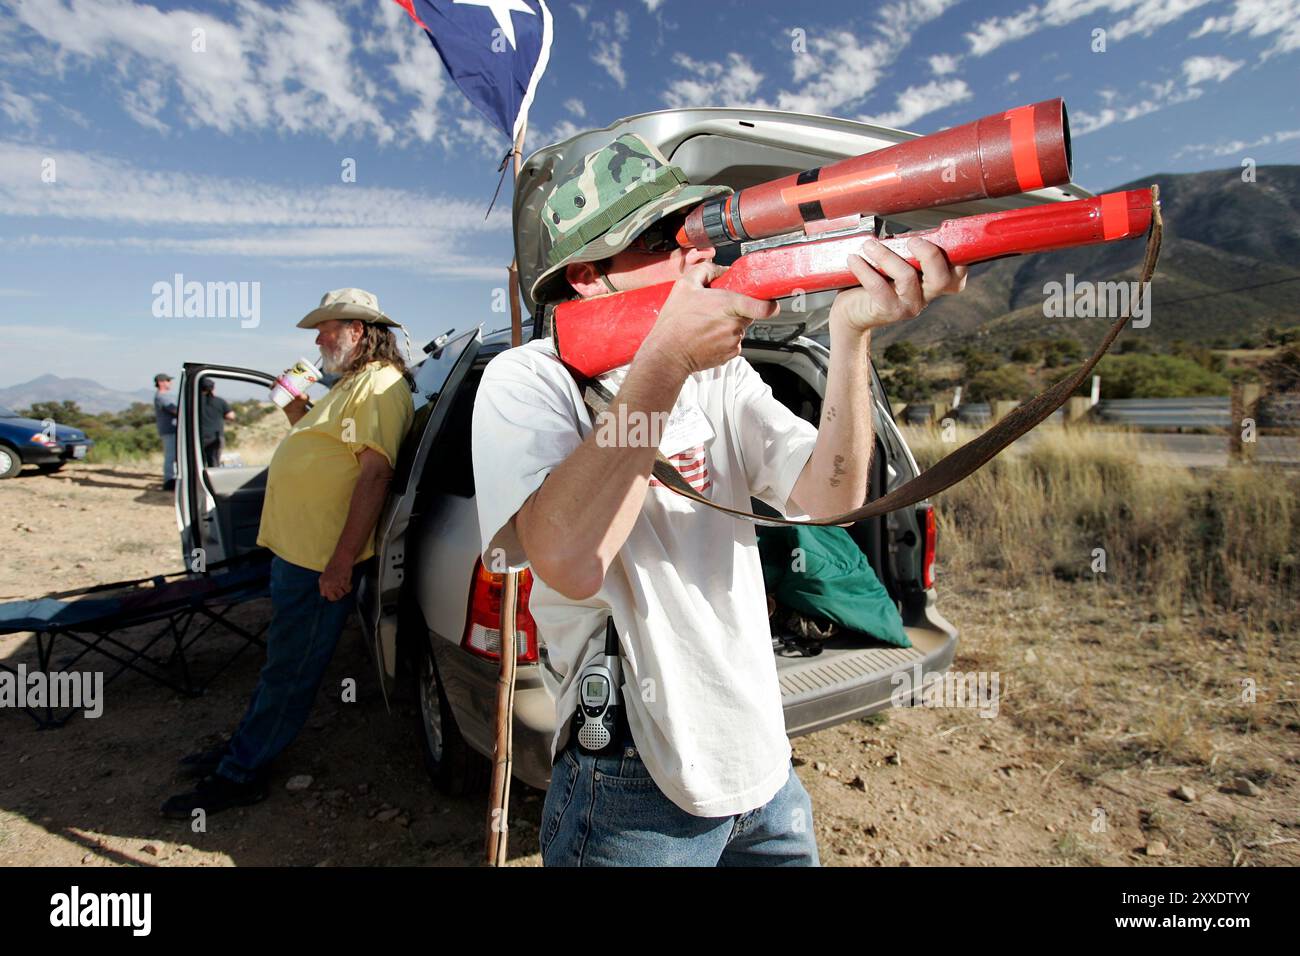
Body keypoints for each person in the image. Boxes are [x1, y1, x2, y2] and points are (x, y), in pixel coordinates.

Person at [471, 135, 967, 866]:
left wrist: (852, 335)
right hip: (631, 774)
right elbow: (570, 562)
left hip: (759, 754)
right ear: (585, 275)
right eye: (661, 240)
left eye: (696, 229)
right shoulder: (530, 380)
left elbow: (828, 498)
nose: (699, 252)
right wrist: (664, 361)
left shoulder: (720, 376)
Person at [161, 288, 415, 818]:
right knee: (281, 661)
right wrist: (291, 398)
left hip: (322, 559)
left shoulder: (381, 388)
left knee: (290, 669)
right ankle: (242, 750)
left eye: (328, 328)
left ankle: (241, 773)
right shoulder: (350, 385)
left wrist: (342, 561)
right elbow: (317, 437)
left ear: (361, 331)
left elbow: (374, 474)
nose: (319, 337)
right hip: (299, 553)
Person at [198, 379, 236, 468]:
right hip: (215, 437)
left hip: (199, 437)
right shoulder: (219, 401)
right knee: (214, 462)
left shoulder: (194, 401)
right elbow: (231, 416)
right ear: (213, 388)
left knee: (200, 463)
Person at [152, 372, 178, 490]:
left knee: (172, 456)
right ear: (161, 382)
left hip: (169, 430)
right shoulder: (162, 397)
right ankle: (169, 481)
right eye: (168, 380)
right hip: (169, 430)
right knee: (170, 456)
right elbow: (175, 410)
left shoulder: (163, 396)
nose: (170, 383)